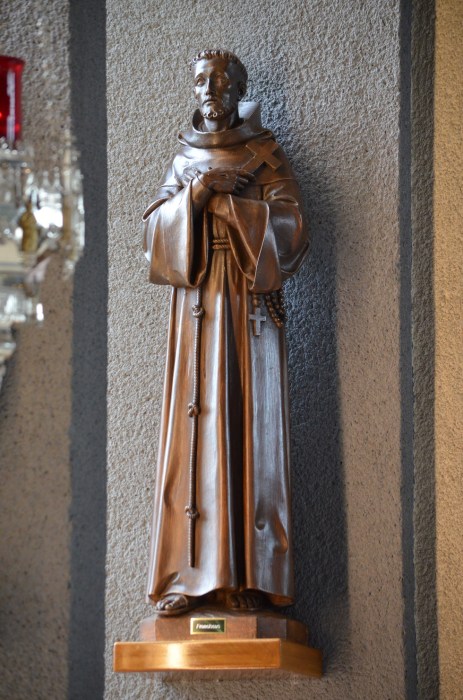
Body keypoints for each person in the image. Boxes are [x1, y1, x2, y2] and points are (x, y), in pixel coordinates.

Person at [143, 49, 309, 615]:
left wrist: (230, 206)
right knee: (192, 436)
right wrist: (198, 192)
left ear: (238, 89)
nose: (209, 89)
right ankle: (187, 577)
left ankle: (246, 577)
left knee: (245, 429)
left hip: (245, 306)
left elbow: (293, 230)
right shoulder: (184, 159)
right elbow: (153, 236)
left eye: (219, 80)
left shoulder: (265, 155)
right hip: (194, 307)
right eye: (201, 81)